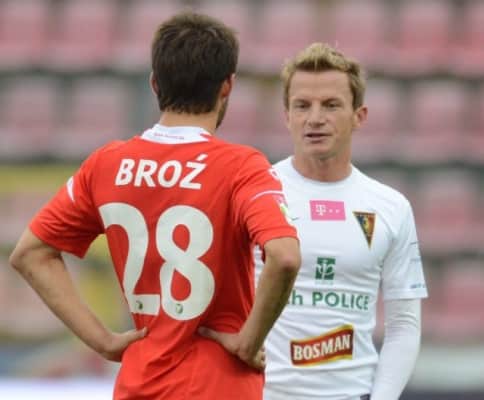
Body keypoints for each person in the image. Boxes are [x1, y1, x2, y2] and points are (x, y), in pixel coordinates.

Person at [8, 12, 301, 400]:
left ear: (154, 83)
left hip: (140, 383)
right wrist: (249, 342)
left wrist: (102, 341)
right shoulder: (240, 166)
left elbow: (30, 254)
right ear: (227, 86)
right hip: (218, 385)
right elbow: (284, 256)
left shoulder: (107, 164)